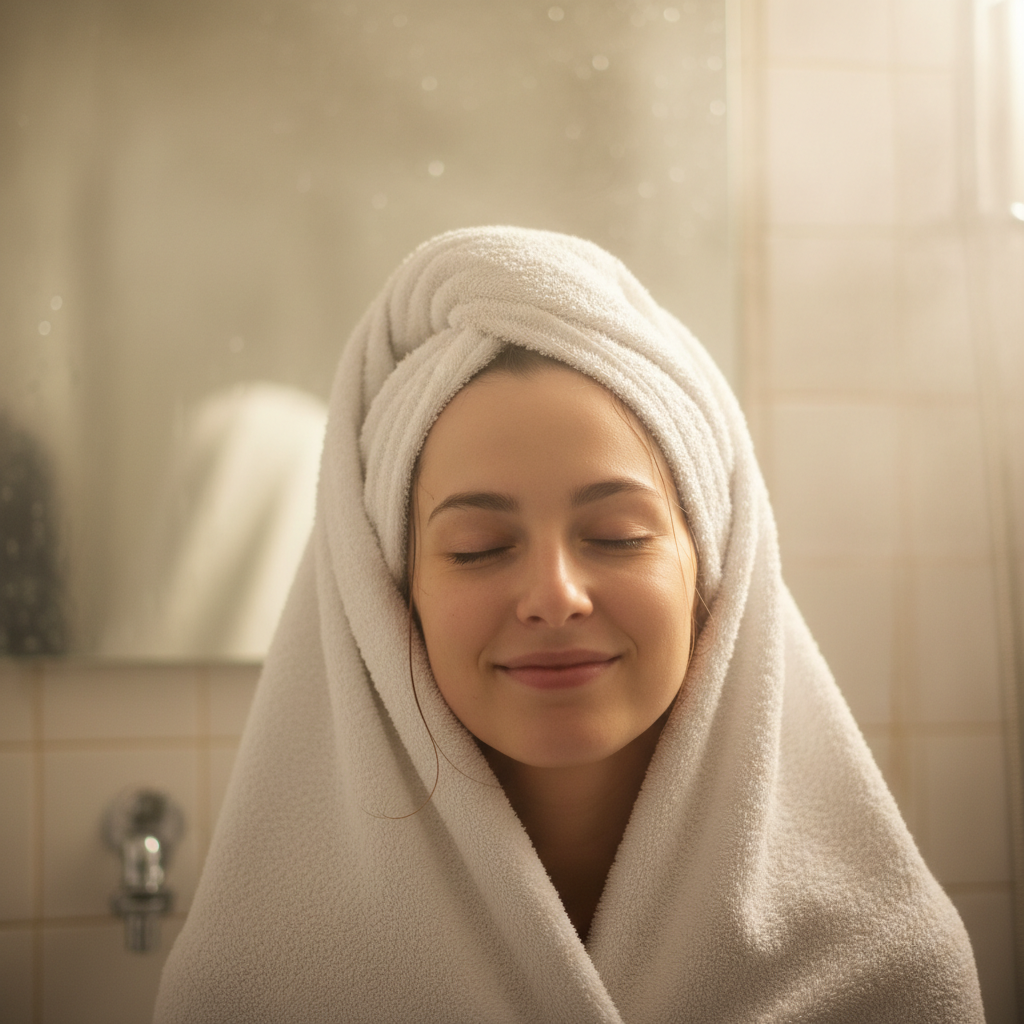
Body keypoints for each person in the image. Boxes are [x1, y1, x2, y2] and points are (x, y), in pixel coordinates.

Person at [154, 227, 983, 1022]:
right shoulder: (256, 988)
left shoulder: (884, 971)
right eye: (478, 548)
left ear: (714, 575)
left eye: (617, 536)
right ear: (393, 598)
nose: (555, 596)